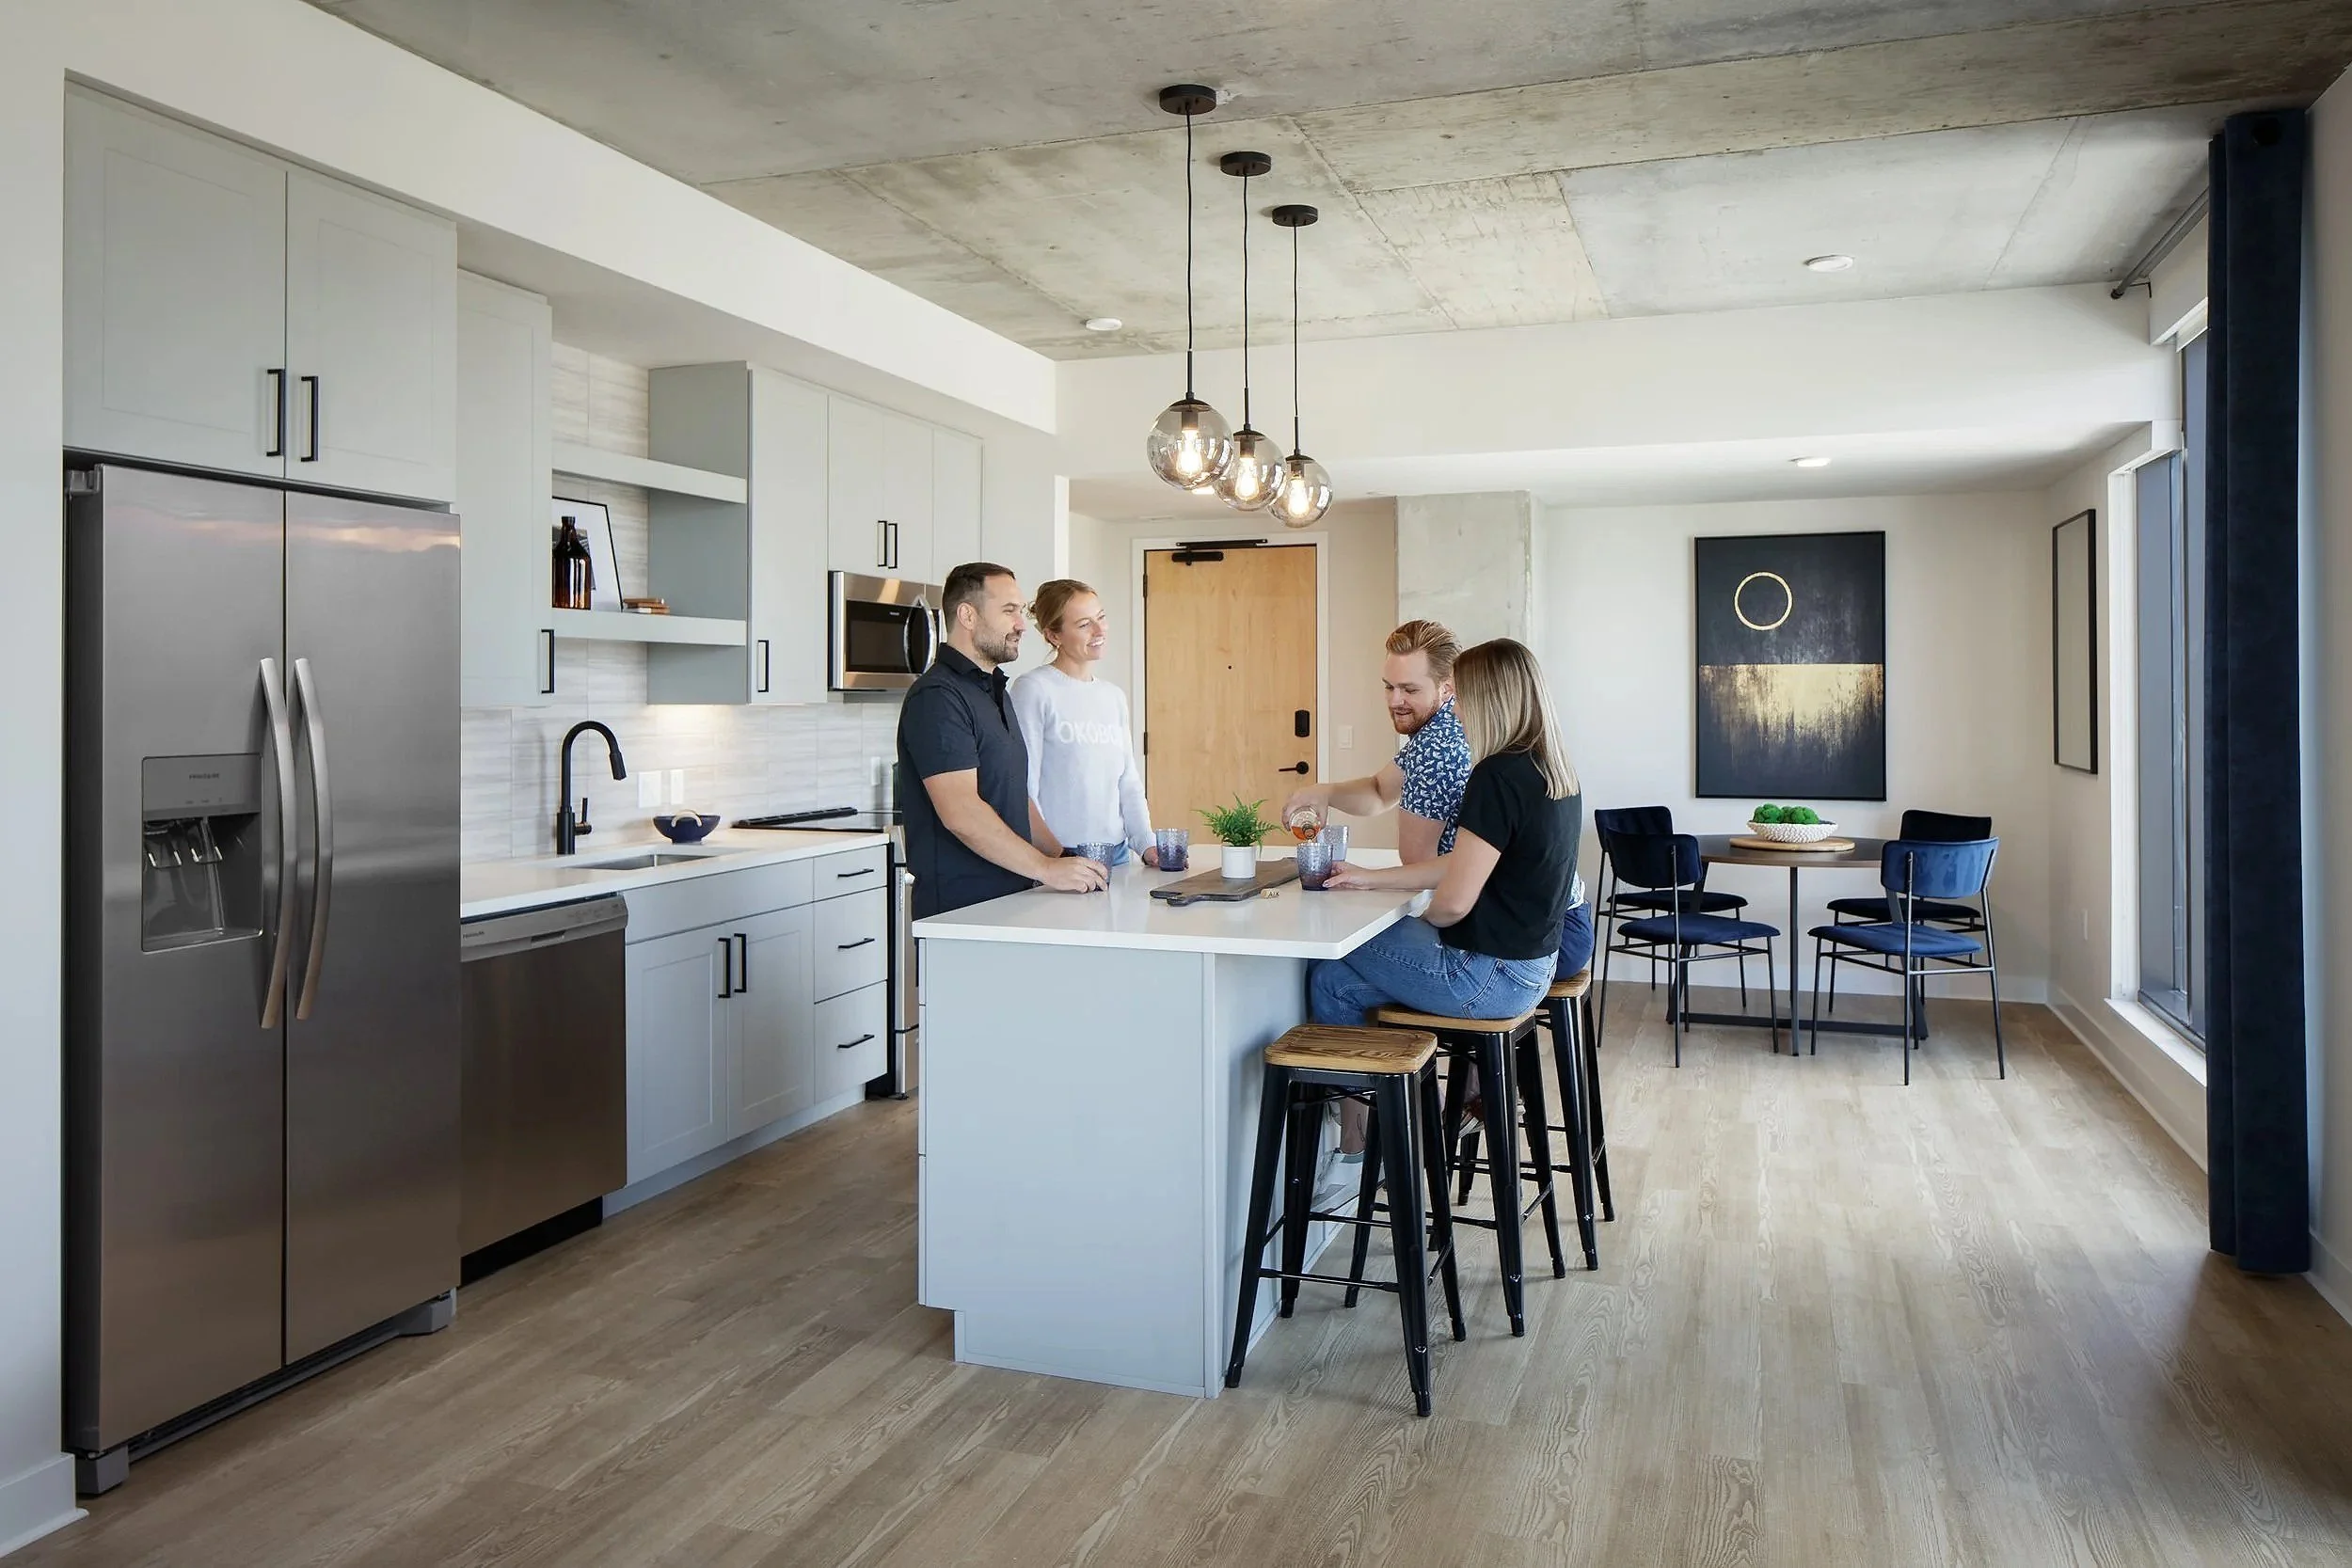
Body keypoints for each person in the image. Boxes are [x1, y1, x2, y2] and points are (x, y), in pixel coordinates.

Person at [1311, 638, 1582, 1034]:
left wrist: (1428, 922)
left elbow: (1452, 905)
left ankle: (1363, 1091)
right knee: (1332, 981)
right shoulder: (1553, 770)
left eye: (1462, 696)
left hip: (1488, 978)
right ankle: (1388, 1096)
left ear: (1490, 700)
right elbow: (1465, 863)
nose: (1455, 709)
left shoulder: (1495, 776)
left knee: (1337, 932)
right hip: (1533, 971)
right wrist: (1367, 877)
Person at [897, 562, 1106, 919]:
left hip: (1010, 900)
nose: (1022, 624)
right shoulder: (937, 697)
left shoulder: (994, 690)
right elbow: (961, 812)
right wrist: (1045, 868)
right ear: (967, 615)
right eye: (1009, 611)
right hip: (959, 910)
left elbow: (1012, 792)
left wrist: (1061, 857)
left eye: (1020, 611)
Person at [1282, 619, 1470, 863]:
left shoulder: (1436, 748)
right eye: (1389, 687)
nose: (1394, 701)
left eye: (1409, 690)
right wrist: (1324, 792)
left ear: (1446, 688)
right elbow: (1380, 791)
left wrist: (1362, 879)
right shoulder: (1441, 728)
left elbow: (1418, 867)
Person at [1009, 579, 1155, 867]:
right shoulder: (1033, 689)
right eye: (1084, 624)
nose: (1100, 631)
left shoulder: (1112, 696)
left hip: (1119, 853)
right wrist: (1053, 856)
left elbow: (1128, 782)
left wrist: (1147, 845)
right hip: (1064, 855)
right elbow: (1024, 786)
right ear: (1054, 635)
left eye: (1101, 617)